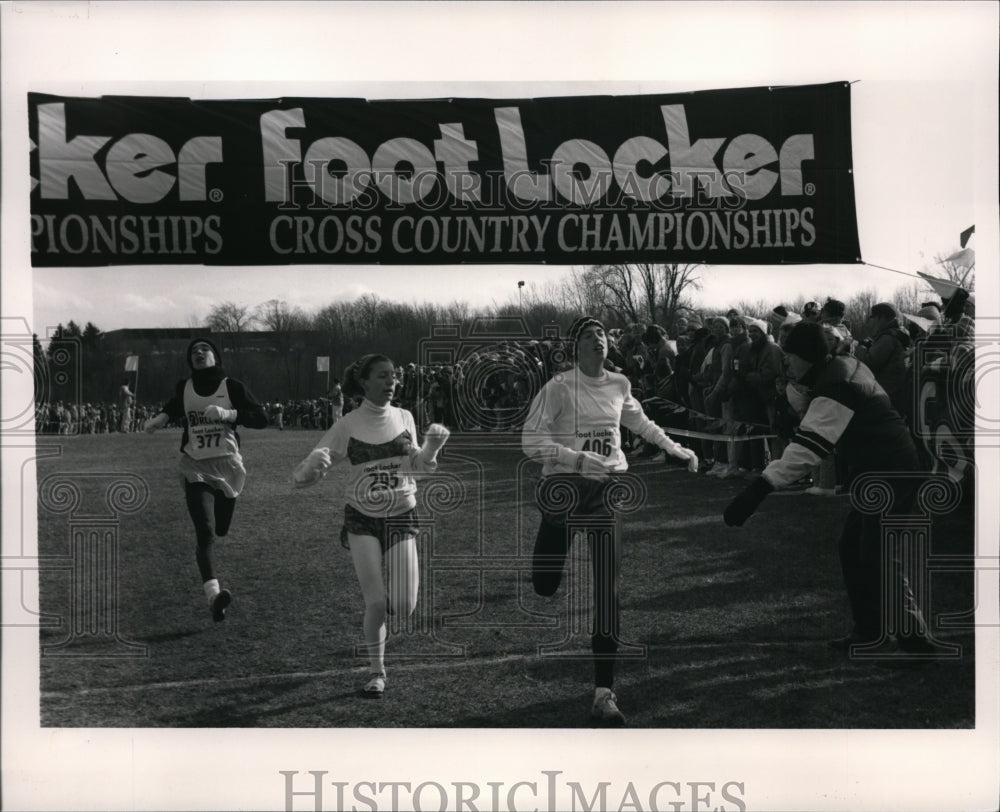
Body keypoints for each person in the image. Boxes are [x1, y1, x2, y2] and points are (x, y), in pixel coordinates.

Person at [723, 321, 945, 658]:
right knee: (854, 548)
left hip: (890, 471)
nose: (788, 364)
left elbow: (809, 448)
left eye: (791, 356)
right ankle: (870, 632)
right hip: (885, 468)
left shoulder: (837, 382)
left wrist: (758, 489)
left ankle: (916, 643)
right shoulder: (839, 368)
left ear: (808, 356)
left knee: (878, 555)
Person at [521, 316, 699, 726]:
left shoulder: (619, 384)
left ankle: (604, 692)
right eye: (587, 335)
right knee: (545, 586)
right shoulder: (559, 387)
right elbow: (530, 442)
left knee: (608, 592)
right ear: (574, 347)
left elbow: (641, 423)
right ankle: (549, 532)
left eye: (601, 334)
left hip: (606, 493)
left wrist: (676, 448)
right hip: (565, 489)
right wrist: (577, 459)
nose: (597, 339)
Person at [292, 354, 450, 697]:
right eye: (382, 376)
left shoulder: (405, 416)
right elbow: (305, 475)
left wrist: (433, 449)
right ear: (364, 382)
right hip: (361, 519)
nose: (391, 382)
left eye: (393, 376)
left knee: (404, 605)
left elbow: (420, 468)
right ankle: (377, 672)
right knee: (376, 602)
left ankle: (384, 617)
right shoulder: (347, 424)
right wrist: (310, 469)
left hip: (402, 515)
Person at [143, 338, 268, 621]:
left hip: (227, 466)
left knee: (221, 529)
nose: (199, 353)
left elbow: (262, 417)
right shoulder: (184, 386)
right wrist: (160, 418)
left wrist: (228, 414)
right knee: (205, 531)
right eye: (193, 352)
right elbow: (176, 405)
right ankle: (214, 596)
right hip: (194, 465)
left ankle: (221, 520)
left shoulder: (231, 386)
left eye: (205, 349)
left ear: (215, 356)